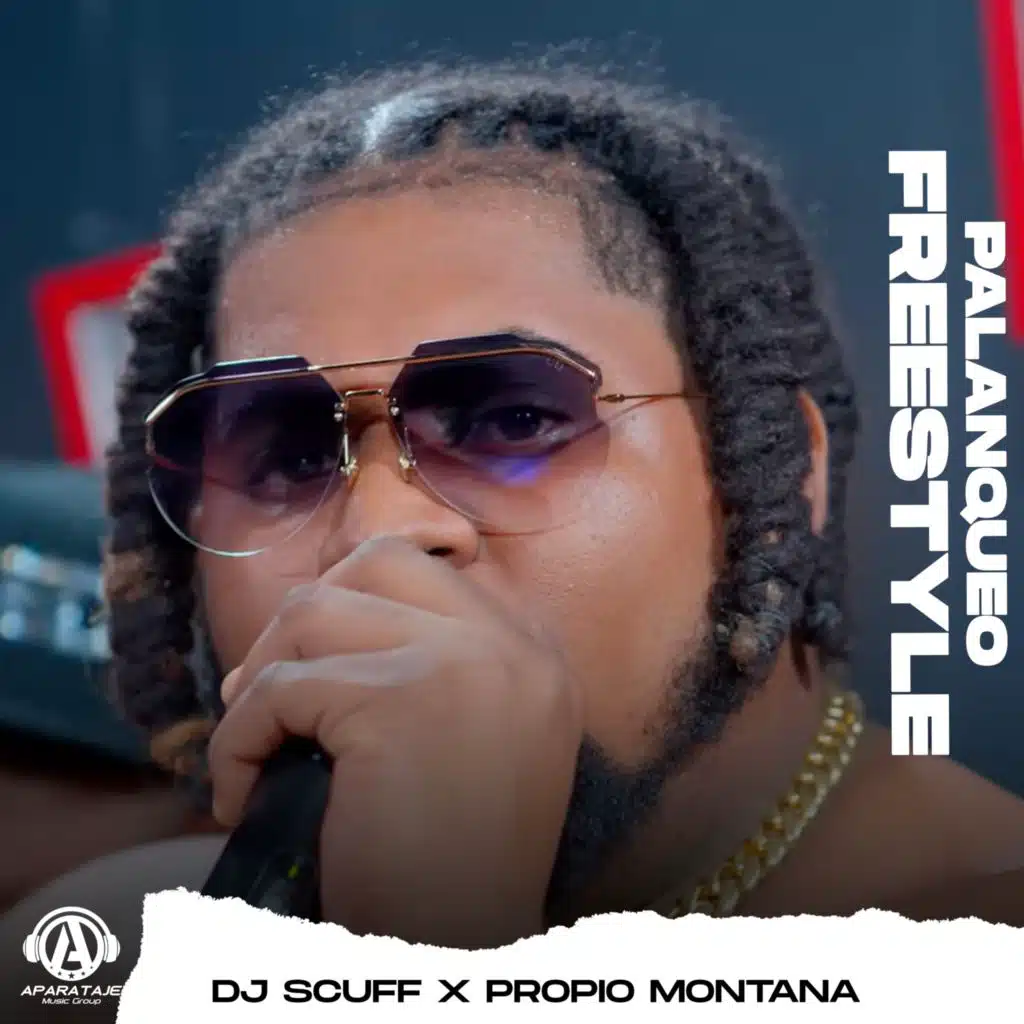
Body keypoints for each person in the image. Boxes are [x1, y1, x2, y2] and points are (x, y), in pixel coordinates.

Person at [6, 59, 1024, 957]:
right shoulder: (112, 949)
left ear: (778, 475)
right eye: (290, 455)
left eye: (514, 421)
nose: (378, 532)